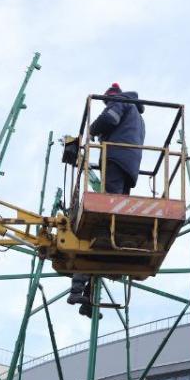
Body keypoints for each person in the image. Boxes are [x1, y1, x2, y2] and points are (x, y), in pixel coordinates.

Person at [67, 83, 147, 319]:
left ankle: (78, 291)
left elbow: (110, 119)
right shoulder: (138, 116)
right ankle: (87, 300)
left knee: (102, 223)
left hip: (115, 157)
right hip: (130, 164)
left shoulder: (120, 101)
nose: (106, 105)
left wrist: (90, 132)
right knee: (109, 231)